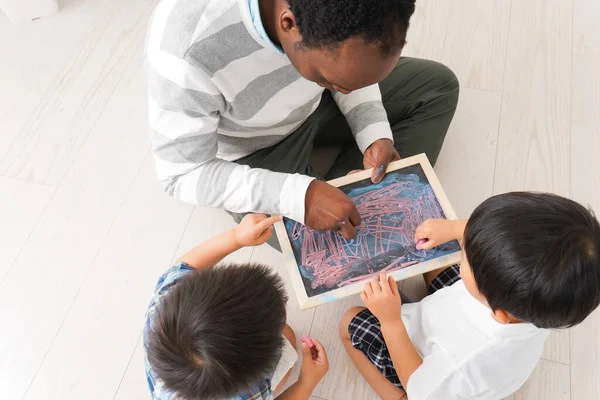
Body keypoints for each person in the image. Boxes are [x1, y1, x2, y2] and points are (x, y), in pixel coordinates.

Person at [147, 0, 459, 243]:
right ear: (289, 24)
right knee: (319, 248)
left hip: (318, 103)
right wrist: (300, 196)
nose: (351, 90)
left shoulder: (334, 26)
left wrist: (374, 131)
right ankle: (345, 200)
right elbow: (182, 173)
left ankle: (349, 193)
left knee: (438, 87)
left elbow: (350, 69)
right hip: (256, 150)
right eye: (333, 79)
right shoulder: (185, 50)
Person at [340, 192, 600, 400]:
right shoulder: (544, 299)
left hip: (424, 373)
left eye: (468, 258)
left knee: (348, 321)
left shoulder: (466, 359)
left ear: (500, 313)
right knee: (440, 253)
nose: (464, 250)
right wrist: (455, 229)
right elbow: (502, 245)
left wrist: (390, 321)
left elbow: (419, 387)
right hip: (457, 322)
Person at [144, 214, 329, 400]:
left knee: (287, 334)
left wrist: (237, 237)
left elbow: (188, 264)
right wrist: (306, 382)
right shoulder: (250, 394)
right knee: (288, 338)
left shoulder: (165, 300)